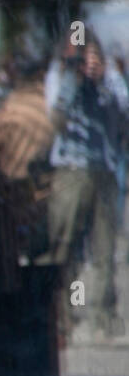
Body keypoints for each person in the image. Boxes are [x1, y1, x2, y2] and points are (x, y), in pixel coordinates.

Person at [36, 33, 129, 339]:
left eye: (94, 60)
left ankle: (102, 318)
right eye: (83, 60)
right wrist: (75, 79)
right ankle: (64, 316)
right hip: (71, 170)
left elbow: (123, 115)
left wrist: (104, 79)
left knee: (104, 248)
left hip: (102, 170)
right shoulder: (63, 80)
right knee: (65, 245)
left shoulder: (110, 84)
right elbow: (57, 119)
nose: (89, 65)